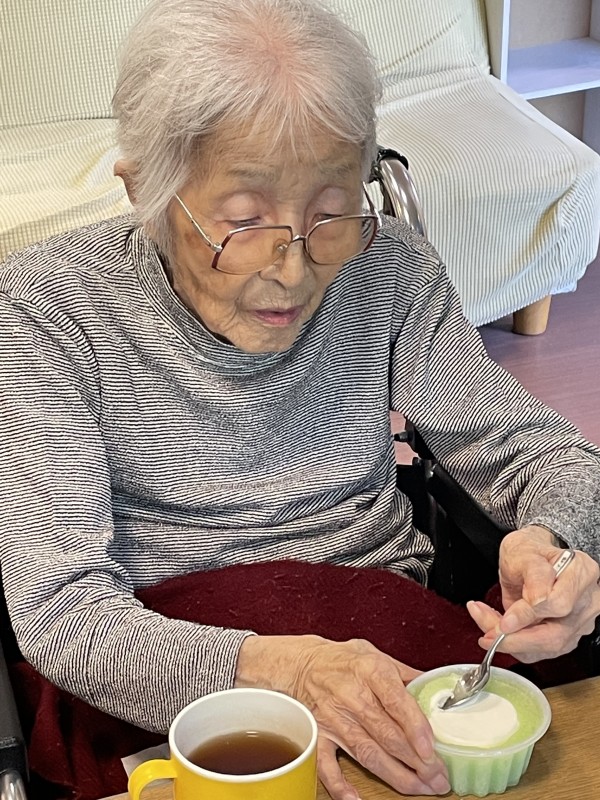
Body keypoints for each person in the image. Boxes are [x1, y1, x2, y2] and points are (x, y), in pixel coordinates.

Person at [1, 0, 599, 798]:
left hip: (382, 641)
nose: (292, 270)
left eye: (330, 213)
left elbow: (545, 454)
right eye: (244, 221)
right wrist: (283, 673)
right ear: (145, 191)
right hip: (169, 674)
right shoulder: (47, 311)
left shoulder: (389, 272)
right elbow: (62, 614)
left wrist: (556, 545)